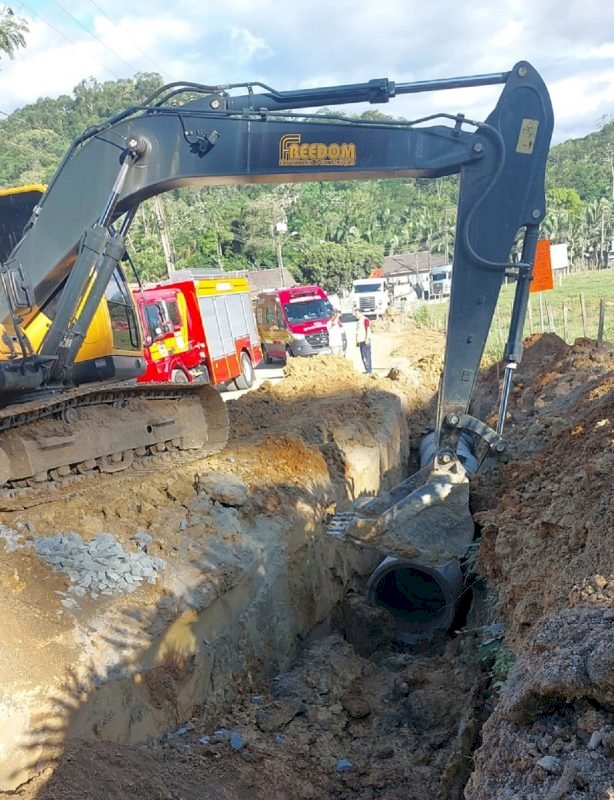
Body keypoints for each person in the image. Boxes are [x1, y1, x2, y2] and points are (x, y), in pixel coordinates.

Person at [354, 307, 372, 373]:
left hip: (365, 341)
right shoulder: (359, 321)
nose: (356, 315)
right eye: (355, 314)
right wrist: (357, 341)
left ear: (360, 313)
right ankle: (367, 370)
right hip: (361, 341)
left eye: (357, 314)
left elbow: (368, 329)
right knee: (363, 357)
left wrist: (366, 339)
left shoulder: (365, 320)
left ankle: (368, 370)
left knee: (366, 356)